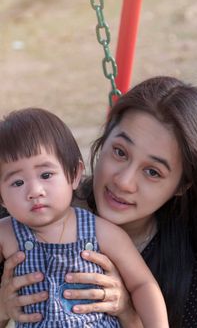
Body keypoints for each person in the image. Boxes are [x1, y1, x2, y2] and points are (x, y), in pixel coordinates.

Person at [1, 76, 197, 328]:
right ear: (104, 139)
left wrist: (128, 313)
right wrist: (3, 309)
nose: (124, 182)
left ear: (181, 185)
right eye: (120, 152)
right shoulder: (22, 211)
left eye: (152, 172)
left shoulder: (190, 251)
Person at [0, 108, 169, 328]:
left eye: (46, 175)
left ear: (74, 174)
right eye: (17, 183)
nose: (34, 190)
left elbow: (143, 284)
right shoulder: (7, 233)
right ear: (2, 198)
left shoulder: (101, 231)